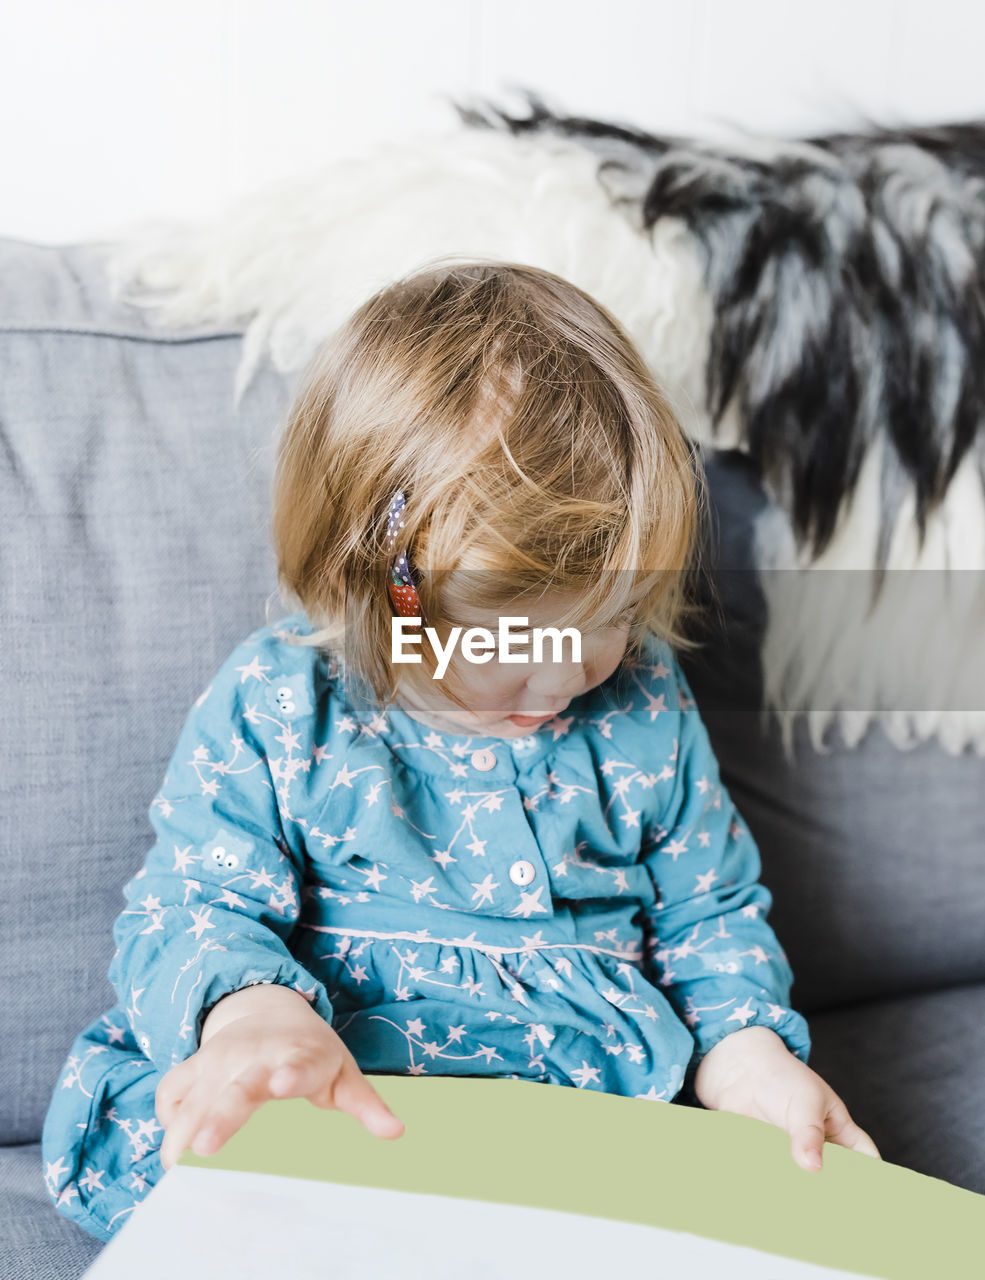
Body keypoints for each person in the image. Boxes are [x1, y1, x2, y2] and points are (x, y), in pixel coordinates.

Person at [42, 259, 878, 1242]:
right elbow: (193, 900)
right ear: (371, 588)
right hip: (333, 1102)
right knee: (197, 1147)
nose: (561, 677)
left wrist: (744, 1055)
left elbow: (707, 912)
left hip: (578, 1120)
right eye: (507, 642)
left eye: (603, 619)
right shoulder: (285, 701)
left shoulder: (641, 701)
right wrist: (252, 1013)